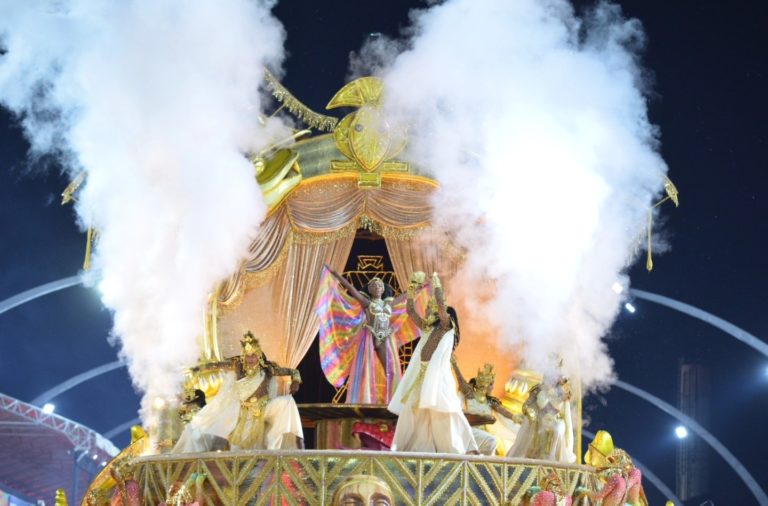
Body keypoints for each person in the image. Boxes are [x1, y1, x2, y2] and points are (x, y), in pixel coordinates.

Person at [388, 272, 478, 454]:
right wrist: (412, 291)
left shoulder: (446, 326)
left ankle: (464, 448)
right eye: (429, 308)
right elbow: (411, 312)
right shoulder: (427, 327)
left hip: (438, 377)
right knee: (414, 412)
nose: (429, 311)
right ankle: (408, 449)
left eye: (433, 309)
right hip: (421, 375)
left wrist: (437, 287)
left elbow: (443, 311)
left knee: (446, 411)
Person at [173, 331, 304, 452]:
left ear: (259, 356)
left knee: (287, 402)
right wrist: (197, 369)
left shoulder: (268, 369)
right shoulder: (238, 367)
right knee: (237, 450)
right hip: (244, 414)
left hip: (264, 408)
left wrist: (296, 381)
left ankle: (288, 445)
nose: (251, 359)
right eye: (248, 356)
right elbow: (215, 365)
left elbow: (293, 371)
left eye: (254, 356)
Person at [315, 265, 423, 404]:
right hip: (369, 338)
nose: (376, 287)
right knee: (365, 371)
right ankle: (362, 401)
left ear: (383, 289)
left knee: (392, 370)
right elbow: (350, 288)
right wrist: (335, 273)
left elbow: (405, 296)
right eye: (373, 285)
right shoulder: (366, 303)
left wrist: (420, 288)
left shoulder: (389, 304)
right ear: (370, 290)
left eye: (379, 285)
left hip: (385, 338)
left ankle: (395, 401)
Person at [452, 361, 523, 455]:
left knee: (491, 443)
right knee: (492, 440)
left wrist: (515, 417)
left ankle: (483, 465)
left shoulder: (490, 401)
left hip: (482, 434)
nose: (493, 387)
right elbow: (461, 382)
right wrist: (455, 365)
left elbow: (503, 411)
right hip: (470, 431)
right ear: (484, 384)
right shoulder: (470, 395)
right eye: (491, 384)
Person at [507, 375, 576, 463]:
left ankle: (551, 460)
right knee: (539, 427)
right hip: (538, 421)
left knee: (557, 428)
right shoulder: (538, 389)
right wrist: (531, 413)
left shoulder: (562, 394)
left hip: (554, 422)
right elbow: (526, 406)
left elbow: (566, 420)